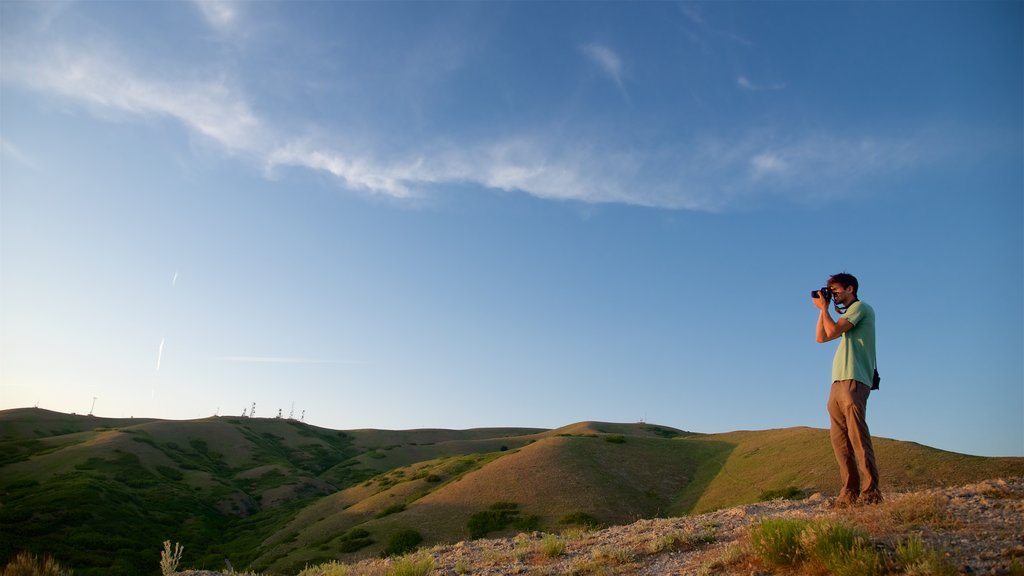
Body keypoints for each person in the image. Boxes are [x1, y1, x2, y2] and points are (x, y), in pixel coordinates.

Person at [813, 272, 882, 507]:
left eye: (835, 292)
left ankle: (871, 493)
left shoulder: (861, 308)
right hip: (837, 382)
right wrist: (821, 311)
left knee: (857, 437)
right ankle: (849, 494)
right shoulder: (845, 314)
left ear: (850, 289)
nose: (833, 297)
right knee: (840, 441)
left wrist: (825, 310)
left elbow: (832, 332)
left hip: (854, 379)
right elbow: (821, 338)